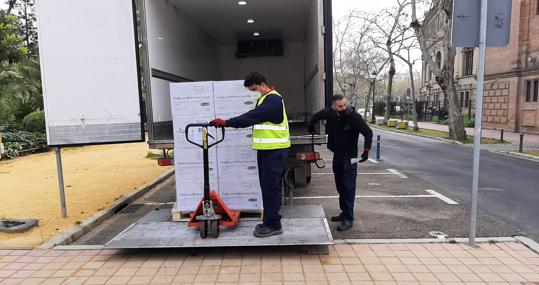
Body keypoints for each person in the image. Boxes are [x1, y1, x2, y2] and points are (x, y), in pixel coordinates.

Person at [209, 72, 290, 238]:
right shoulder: (264, 99)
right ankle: (271, 217)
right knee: (268, 187)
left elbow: (252, 117)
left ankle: (273, 224)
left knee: (270, 188)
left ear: (262, 84)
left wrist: (227, 123)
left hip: (275, 151)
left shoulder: (273, 100)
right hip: (267, 151)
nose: (253, 92)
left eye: (254, 89)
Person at [308, 94, 373, 231]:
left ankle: (349, 218)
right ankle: (344, 212)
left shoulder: (354, 117)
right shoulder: (330, 113)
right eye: (340, 106)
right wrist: (311, 124)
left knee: (348, 187)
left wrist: (366, 151)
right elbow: (317, 115)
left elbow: (368, 133)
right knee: (340, 186)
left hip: (349, 157)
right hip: (337, 154)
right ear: (334, 106)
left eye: (345, 105)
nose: (343, 108)